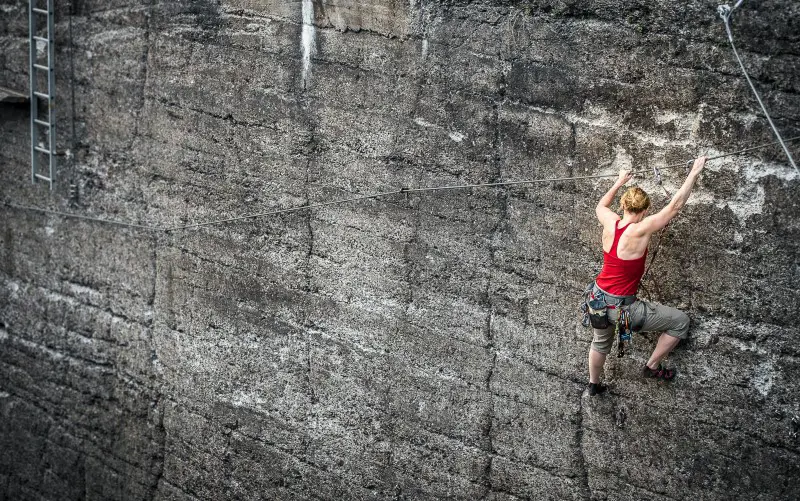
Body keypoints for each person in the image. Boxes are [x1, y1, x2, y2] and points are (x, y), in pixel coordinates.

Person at [587, 157, 707, 396]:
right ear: (644, 211)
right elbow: (674, 207)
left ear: (623, 205)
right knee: (680, 321)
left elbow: (600, 205)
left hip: (597, 300)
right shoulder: (641, 229)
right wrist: (694, 172)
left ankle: (593, 384)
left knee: (600, 342)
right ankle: (652, 366)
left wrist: (619, 181)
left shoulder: (609, 220)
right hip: (624, 310)